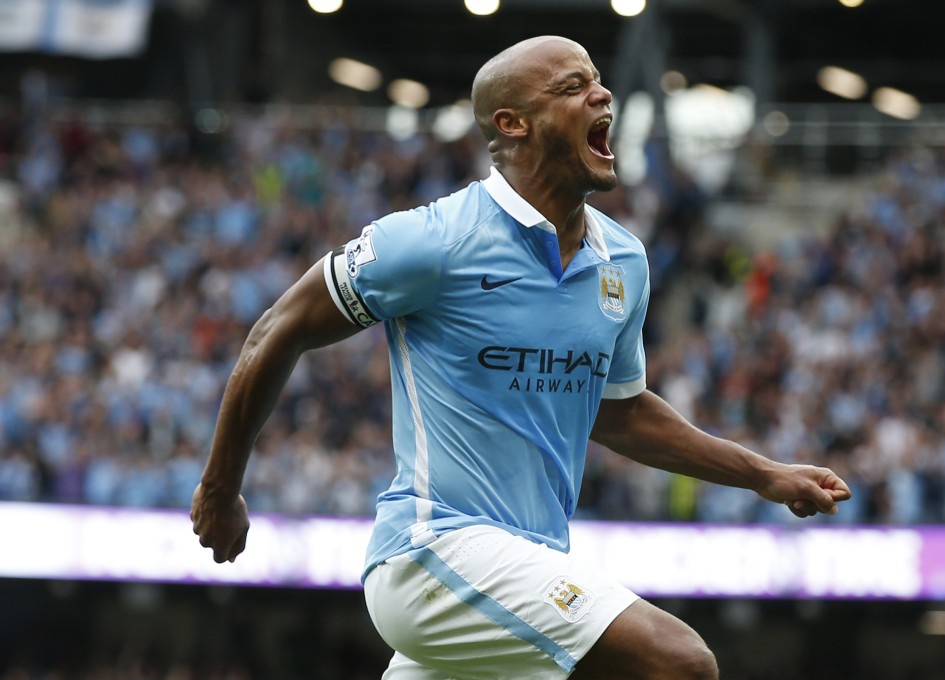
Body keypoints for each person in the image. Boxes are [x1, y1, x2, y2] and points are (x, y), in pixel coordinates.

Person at [191, 35, 852, 679]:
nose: (604, 93)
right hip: (432, 552)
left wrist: (763, 473)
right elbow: (277, 330)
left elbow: (618, 413)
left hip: (524, 566)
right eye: (574, 86)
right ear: (514, 125)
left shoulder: (623, 261)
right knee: (678, 663)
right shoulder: (432, 242)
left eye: (598, 80)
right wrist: (221, 490)